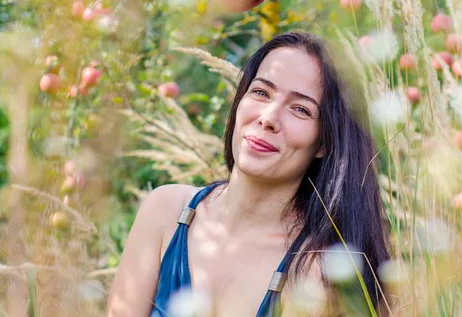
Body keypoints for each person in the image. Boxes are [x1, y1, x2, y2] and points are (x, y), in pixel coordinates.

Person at [107, 31, 390, 316]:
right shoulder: (166, 212)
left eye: (300, 109)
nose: (268, 117)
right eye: (261, 92)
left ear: (324, 142)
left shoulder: (317, 275)